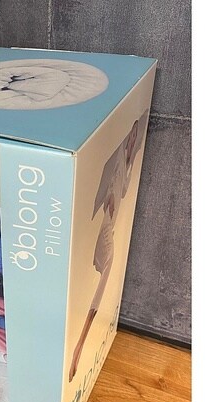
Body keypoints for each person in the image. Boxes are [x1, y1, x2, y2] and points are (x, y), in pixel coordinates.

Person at [69, 120, 141, 382]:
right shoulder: (115, 158)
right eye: (132, 133)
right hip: (104, 225)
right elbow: (102, 195)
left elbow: (123, 190)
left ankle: (79, 347)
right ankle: (78, 348)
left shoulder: (126, 162)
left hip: (109, 224)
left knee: (102, 279)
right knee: (105, 272)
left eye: (135, 135)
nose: (132, 138)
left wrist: (130, 160)